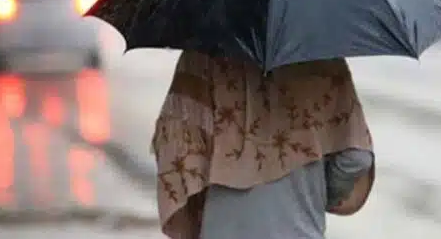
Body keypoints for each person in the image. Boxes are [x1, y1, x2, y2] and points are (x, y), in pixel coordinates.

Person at [151, 51, 375, 239]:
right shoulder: (323, 59)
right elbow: (356, 158)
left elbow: (175, 152)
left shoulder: (202, 55)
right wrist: (321, 194)